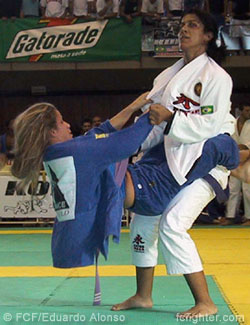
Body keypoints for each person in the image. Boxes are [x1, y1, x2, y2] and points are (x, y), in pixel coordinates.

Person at [11, 94, 239, 269]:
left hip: (142, 184)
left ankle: (143, 296)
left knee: (169, 146)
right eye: (62, 123)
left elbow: (101, 132)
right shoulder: (75, 152)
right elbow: (125, 144)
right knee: (210, 148)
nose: (68, 125)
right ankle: (234, 153)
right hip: (150, 189)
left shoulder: (56, 157)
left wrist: (134, 106)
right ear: (51, 131)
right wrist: (150, 117)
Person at [111, 9, 238, 319]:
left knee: (173, 223)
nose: (184, 30)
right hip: (170, 156)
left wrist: (172, 120)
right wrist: (135, 145)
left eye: (192, 25)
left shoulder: (217, 77)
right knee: (142, 217)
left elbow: (209, 126)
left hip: (207, 162)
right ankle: (143, 295)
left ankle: (205, 301)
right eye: (182, 25)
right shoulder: (167, 76)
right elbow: (152, 119)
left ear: (208, 35)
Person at [222, 104, 250, 226]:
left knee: (247, 189)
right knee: (233, 188)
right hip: (234, 158)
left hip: (248, 158)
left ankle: (249, 217)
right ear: (241, 111)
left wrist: (244, 147)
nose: (249, 113)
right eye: (247, 110)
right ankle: (230, 216)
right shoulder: (233, 122)